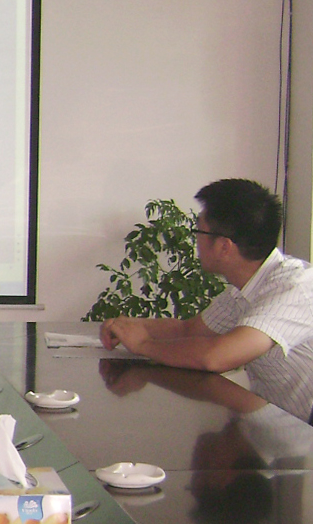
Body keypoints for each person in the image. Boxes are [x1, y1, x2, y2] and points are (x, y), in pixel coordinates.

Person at [101, 178, 313, 421]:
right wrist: (128, 326)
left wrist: (143, 345)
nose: (195, 241)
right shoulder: (243, 290)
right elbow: (187, 330)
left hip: (304, 430)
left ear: (224, 247)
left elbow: (216, 356)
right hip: (276, 419)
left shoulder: (294, 288)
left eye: (199, 231)